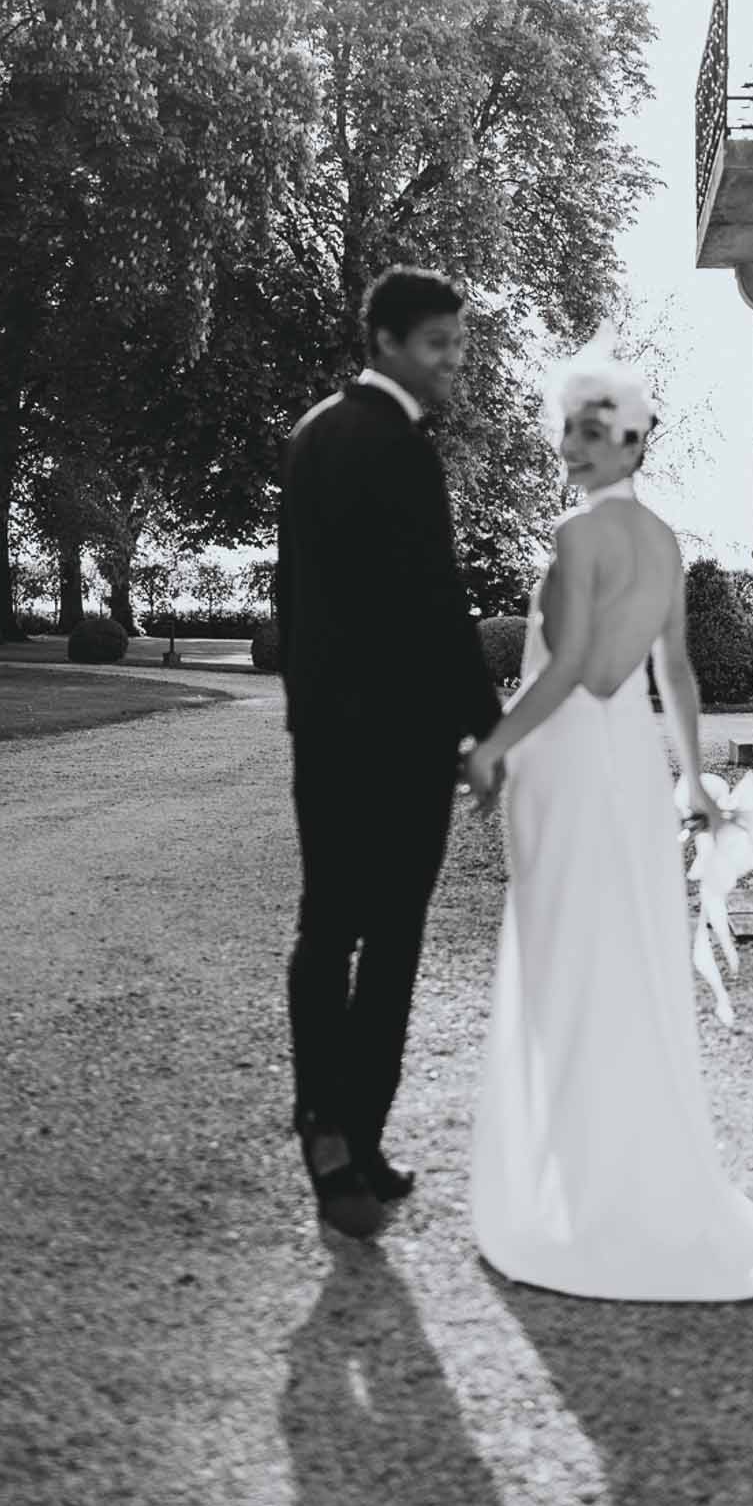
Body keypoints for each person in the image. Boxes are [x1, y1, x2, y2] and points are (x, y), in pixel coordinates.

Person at [465, 338, 753, 1300]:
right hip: (629, 759)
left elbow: (571, 668)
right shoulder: (665, 544)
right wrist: (690, 778)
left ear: (629, 443)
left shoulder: (578, 540)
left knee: (569, 952)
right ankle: (612, 1170)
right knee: (616, 953)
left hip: (569, 759)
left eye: (592, 432)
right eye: (567, 428)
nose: (571, 447)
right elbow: (673, 674)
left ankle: (577, 1188)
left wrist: (491, 746)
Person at [276, 266, 501, 1239]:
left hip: (326, 736)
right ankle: (350, 1132)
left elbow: (296, 602)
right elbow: (434, 602)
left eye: (457, 341)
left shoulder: (314, 433)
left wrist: (312, 713)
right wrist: (485, 725)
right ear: (387, 343)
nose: (455, 359)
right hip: (401, 743)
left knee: (328, 928)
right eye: (439, 343)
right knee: (393, 938)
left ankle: (335, 1130)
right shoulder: (401, 446)